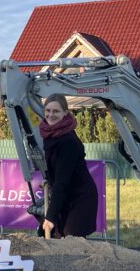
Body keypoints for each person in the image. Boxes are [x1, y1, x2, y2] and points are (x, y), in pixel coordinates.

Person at [40, 94, 98, 238]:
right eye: (48, 110)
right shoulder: (50, 135)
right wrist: (48, 178)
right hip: (65, 197)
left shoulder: (68, 141)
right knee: (59, 239)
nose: (50, 115)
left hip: (79, 198)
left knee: (72, 241)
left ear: (65, 113)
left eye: (56, 111)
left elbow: (63, 180)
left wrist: (50, 217)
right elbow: (54, 165)